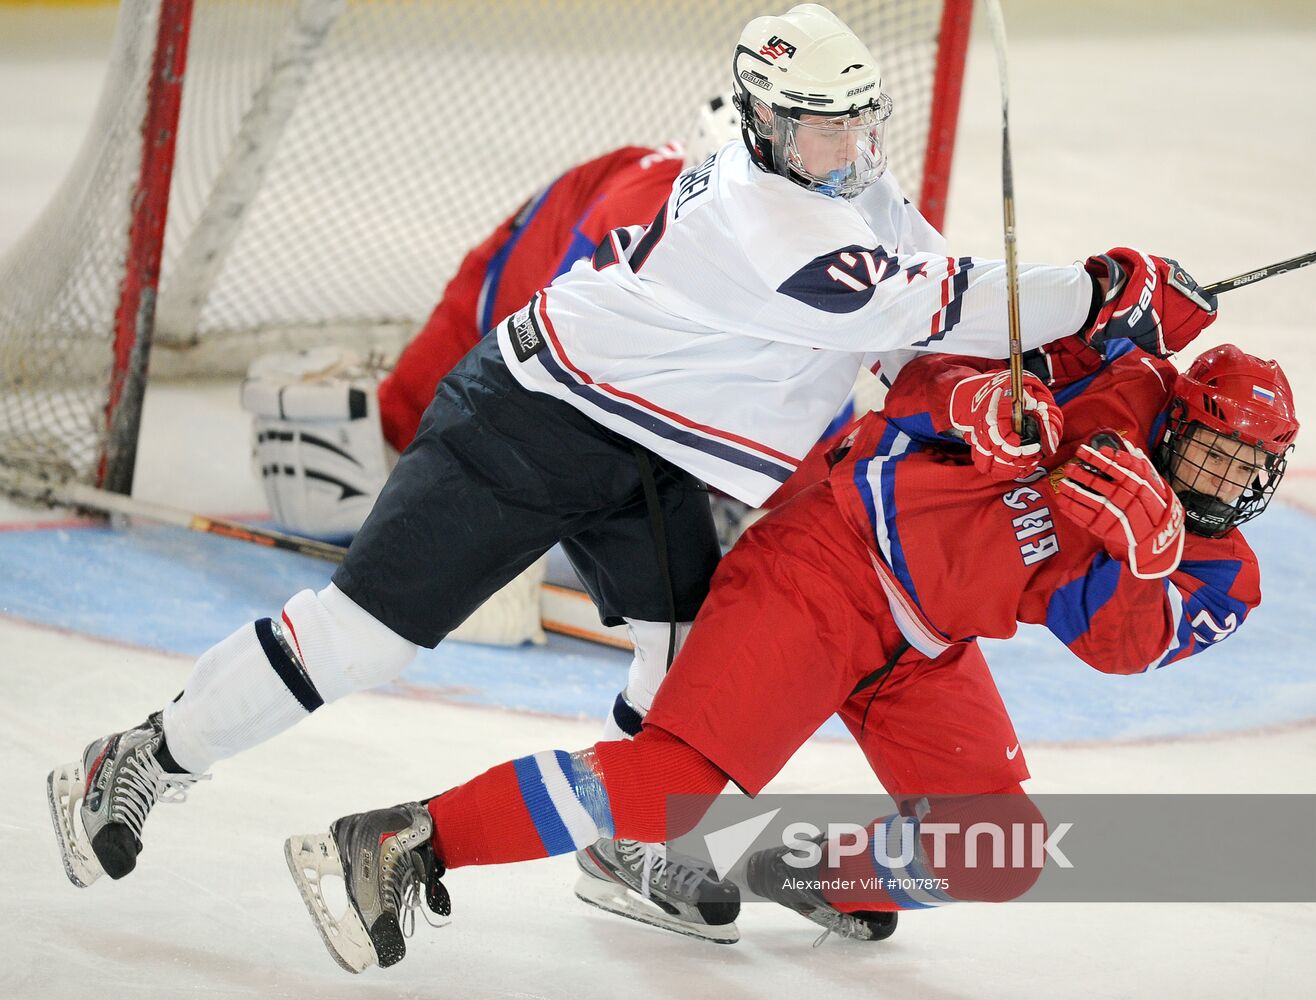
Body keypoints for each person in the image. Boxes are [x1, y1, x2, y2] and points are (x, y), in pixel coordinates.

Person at [47, 2, 1216, 947]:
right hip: (530, 427)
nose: (850, 152)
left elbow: (943, 317)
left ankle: (632, 852)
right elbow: (944, 302)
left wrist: (1073, 342)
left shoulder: (853, 195)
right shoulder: (757, 221)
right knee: (367, 641)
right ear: (760, 125)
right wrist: (1111, 288)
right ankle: (142, 757)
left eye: (863, 126)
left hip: (659, 461)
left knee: (685, 658)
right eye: (821, 132)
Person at [282, 332, 1298, 971]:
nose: (1218, 477)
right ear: (1170, 415)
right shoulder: (1113, 373)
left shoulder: (1220, 575)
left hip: (925, 642)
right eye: (1206, 448)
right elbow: (911, 371)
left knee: (1000, 852)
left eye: (1242, 465)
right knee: (672, 778)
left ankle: (804, 868)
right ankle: (402, 840)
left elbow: (1103, 645)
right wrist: (974, 401)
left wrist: (1147, 556)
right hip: (832, 555)